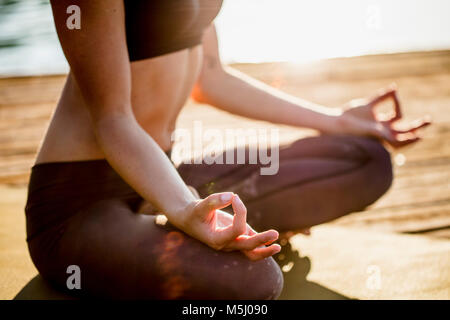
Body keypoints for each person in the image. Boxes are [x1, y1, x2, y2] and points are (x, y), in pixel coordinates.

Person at [25, 0, 430, 299]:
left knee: (364, 158)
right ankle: (189, 231)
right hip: (80, 207)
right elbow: (112, 119)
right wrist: (184, 210)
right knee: (255, 283)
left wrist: (338, 119)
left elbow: (210, 78)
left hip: (164, 177)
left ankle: (200, 226)